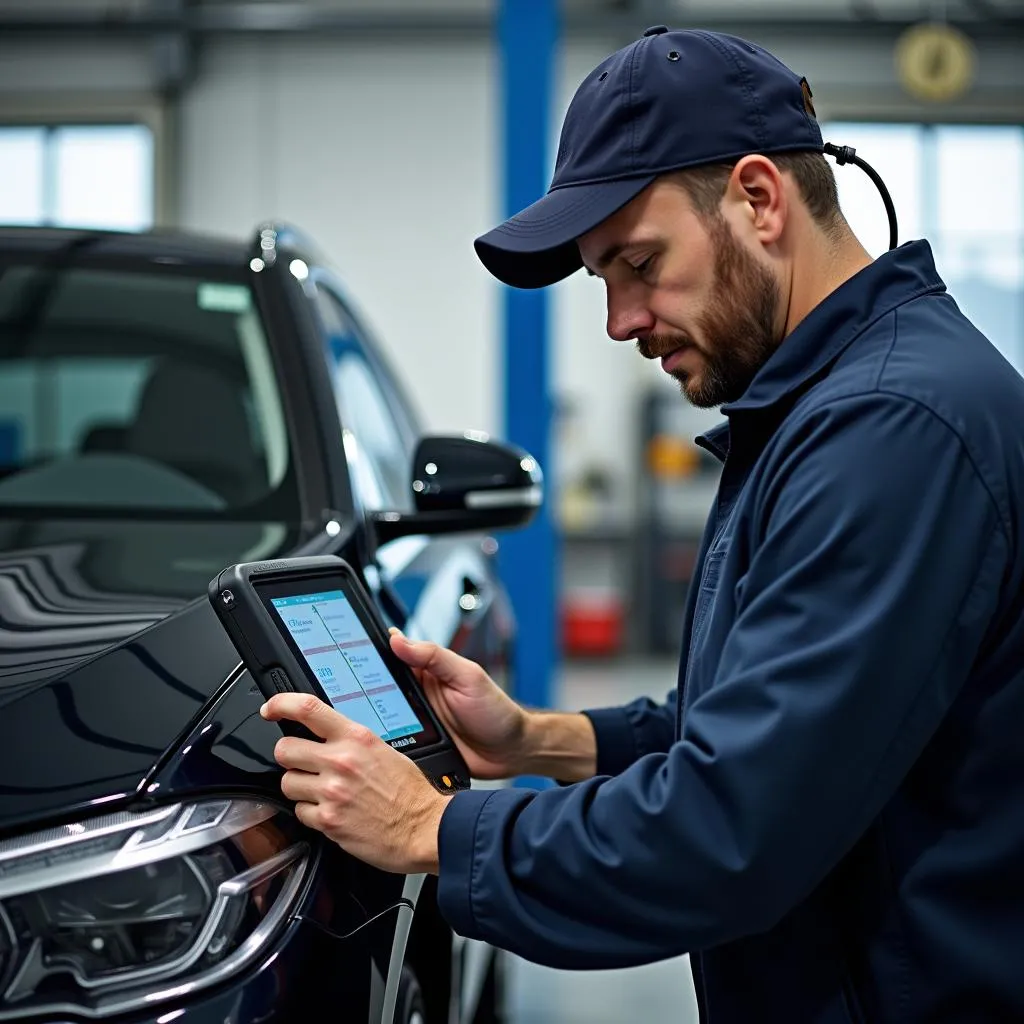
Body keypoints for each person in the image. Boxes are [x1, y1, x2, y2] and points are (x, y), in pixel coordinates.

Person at [260, 25, 1024, 1022]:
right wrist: (538, 737)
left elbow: (728, 830)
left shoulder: (891, 430)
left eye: (639, 262)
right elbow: (754, 718)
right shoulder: (820, 409)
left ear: (758, 198)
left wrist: (434, 830)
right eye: (603, 280)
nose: (621, 321)